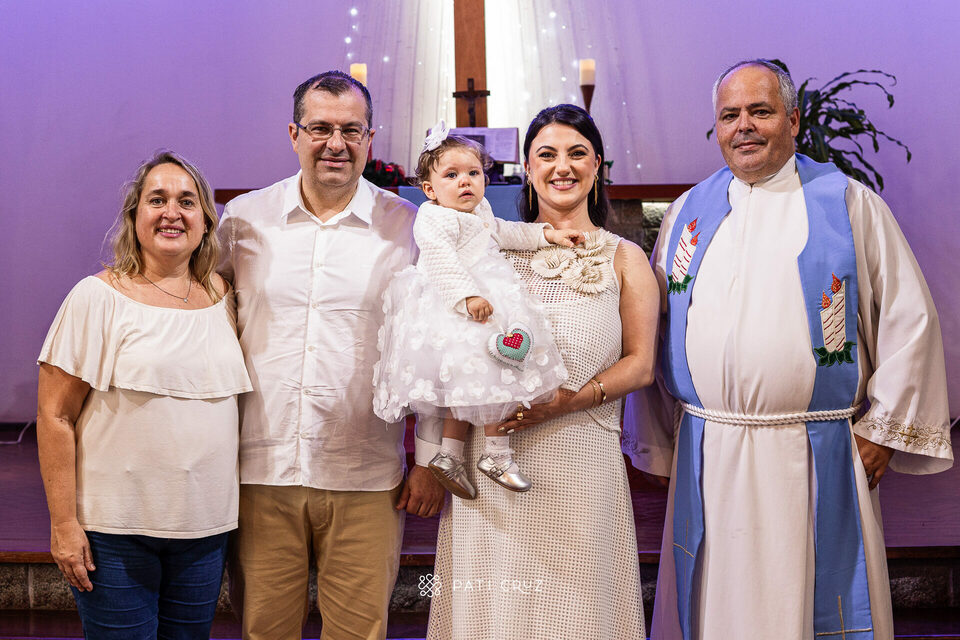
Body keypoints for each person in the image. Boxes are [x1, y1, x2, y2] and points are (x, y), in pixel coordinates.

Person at [624, 59, 953, 640]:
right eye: (730, 115)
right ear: (717, 127)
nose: (744, 126)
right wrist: (655, 440)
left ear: (794, 120)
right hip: (708, 448)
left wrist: (883, 429)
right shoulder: (687, 213)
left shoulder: (847, 205)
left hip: (815, 452)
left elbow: (910, 320)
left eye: (761, 111)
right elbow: (657, 328)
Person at [218, 70, 445, 640]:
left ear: (371, 138)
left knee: (360, 632)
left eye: (351, 130)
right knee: (264, 630)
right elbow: (207, 321)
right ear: (294, 134)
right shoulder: (244, 219)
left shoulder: (409, 228)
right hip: (261, 468)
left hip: (365, 470)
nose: (335, 144)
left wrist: (431, 458)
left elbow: (436, 348)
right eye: (320, 128)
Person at [426, 104, 660, 639]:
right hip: (490, 470)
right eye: (547, 154)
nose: (562, 166)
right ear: (527, 168)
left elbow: (642, 365)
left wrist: (571, 400)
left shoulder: (624, 257)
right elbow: (448, 347)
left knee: (576, 616)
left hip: (579, 462)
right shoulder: (486, 249)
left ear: (597, 164)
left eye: (577, 153)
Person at [36, 151, 251, 640]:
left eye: (187, 202)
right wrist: (64, 525)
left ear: (206, 221)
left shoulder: (224, 296)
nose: (172, 212)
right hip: (115, 532)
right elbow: (54, 416)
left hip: (205, 530)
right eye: (157, 200)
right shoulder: (97, 297)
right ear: (134, 217)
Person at [374, 121, 583, 499]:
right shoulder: (433, 217)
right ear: (430, 189)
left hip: (483, 300)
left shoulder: (480, 211)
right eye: (451, 175)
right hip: (453, 307)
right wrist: (467, 297)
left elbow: (505, 232)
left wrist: (548, 234)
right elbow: (441, 261)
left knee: (476, 380)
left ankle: (452, 456)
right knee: (491, 374)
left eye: (473, 173)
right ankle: (495, 454)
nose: (465, 182)